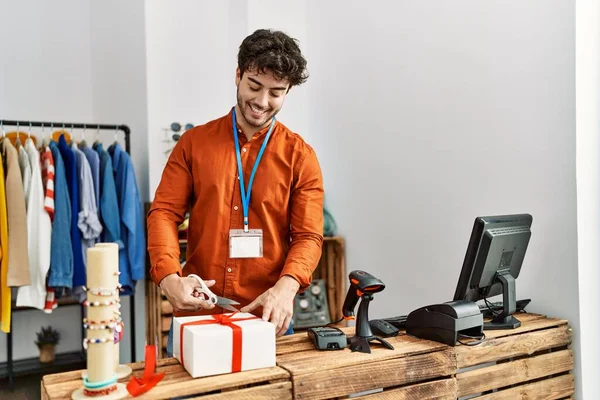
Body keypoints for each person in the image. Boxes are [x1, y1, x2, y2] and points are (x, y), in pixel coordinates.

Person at [147, 29, 324, 357]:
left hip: (269, 315)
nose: (261, 102)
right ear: (238, 75)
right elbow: (163, 213)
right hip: (199, 311)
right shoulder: (193, 144)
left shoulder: (301, 157)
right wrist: (169, 277)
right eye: (254, 86)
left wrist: (285, 290)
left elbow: (308, 236)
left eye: (276, 93)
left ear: (288, 92)